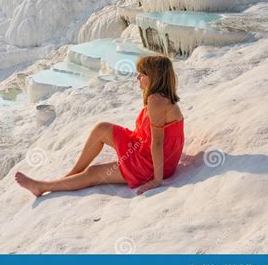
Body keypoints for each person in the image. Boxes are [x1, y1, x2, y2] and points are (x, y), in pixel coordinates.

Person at [16, 55, 184, 197]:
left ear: (153, 77)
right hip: (143, 147)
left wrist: (156, 180)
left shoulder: (156, 101)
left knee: (94, 173)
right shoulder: (158, 98)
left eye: (141, 74)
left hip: (150, 164)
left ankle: (43, 187)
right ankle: (71, 176)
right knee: (101, 129)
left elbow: (157, 143)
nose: (137, 77)